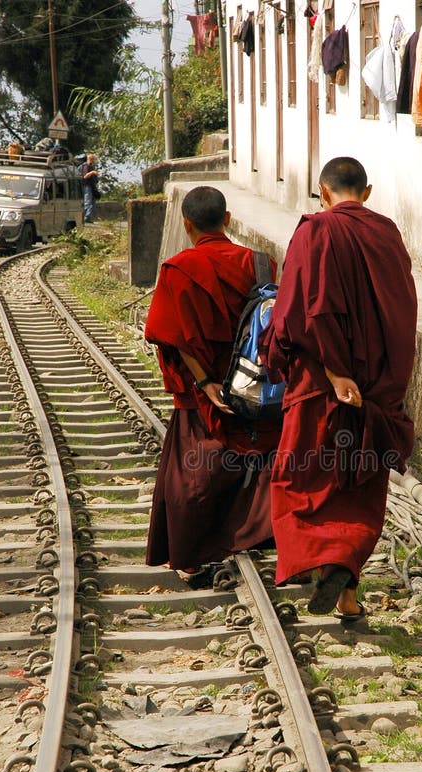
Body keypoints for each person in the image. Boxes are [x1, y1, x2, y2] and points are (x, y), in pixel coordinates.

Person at [259, 157, 417, 621]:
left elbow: (301, 311)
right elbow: (404, 312)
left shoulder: (315, 231)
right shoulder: (387, 234)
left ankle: (321, 561)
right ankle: (347, 594)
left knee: (299, 480)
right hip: (375, 389)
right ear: (365, 192)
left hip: (320, 384)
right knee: (359, 487)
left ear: (323, 193)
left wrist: (331, 370)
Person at [145, 186, 280, 576]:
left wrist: (204, 382)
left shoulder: (177, 269)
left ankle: (190, 557)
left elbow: (173, 336)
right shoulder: (260, 264)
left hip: (204, 390)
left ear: (186, 224)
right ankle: (253, 538)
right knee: (261, 463)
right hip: (254, 386)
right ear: (228, 219)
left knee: (195, 473)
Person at [81, 153, 99, 223]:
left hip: (92, 186)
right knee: (87, 202)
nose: (93, 161)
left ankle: (88, 217)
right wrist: (92, 172)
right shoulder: (85, 166)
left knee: (92, 203)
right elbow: (85, 176)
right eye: (92, 159)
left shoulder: (91, 166)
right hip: (86, 186)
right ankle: (84, 216)